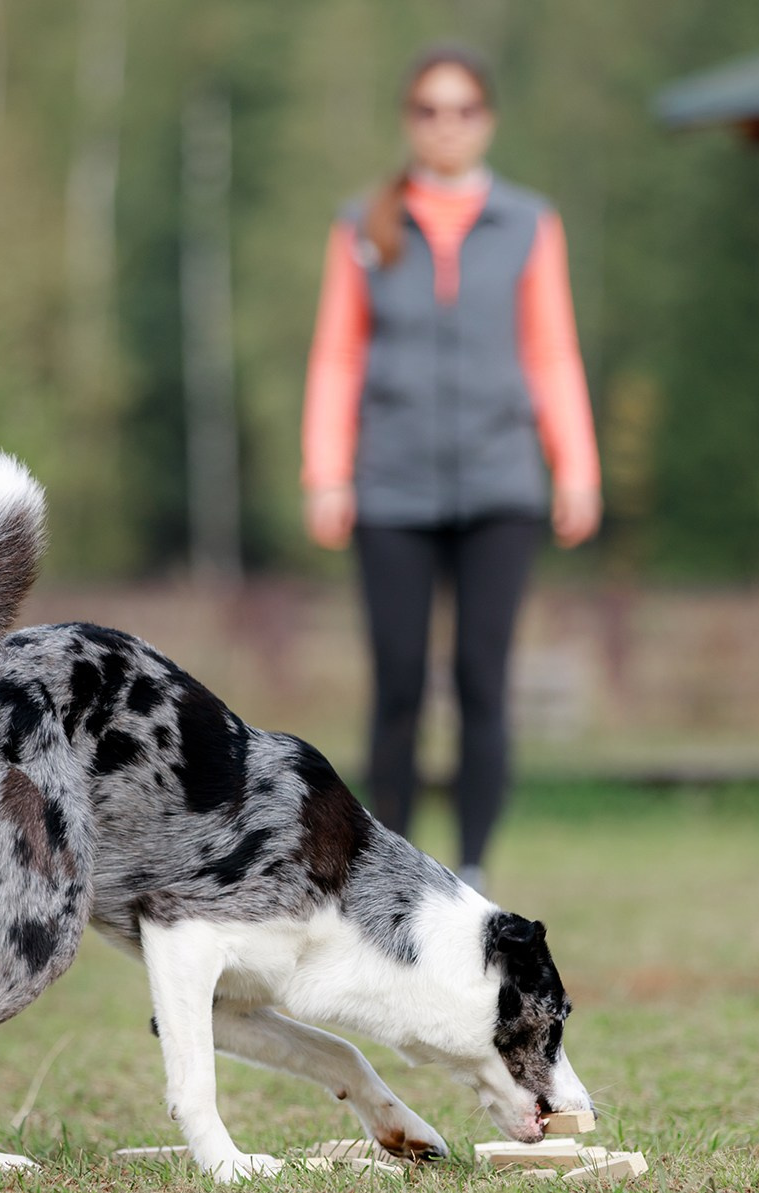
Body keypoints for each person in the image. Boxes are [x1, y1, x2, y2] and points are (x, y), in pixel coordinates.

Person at [301, 44, 601, 889]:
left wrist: (574, 463)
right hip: (391, 489)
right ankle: (388, 873)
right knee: (397, 681)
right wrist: (326, 470)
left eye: (463, 109)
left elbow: (553, 354)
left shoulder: (528, 223)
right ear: (411, 121)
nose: (446, 125)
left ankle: (470, 871)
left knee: (482, 681)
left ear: (487, 121)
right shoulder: (363, 223)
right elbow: (336, 357)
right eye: (430, 110)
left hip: (500, 485)